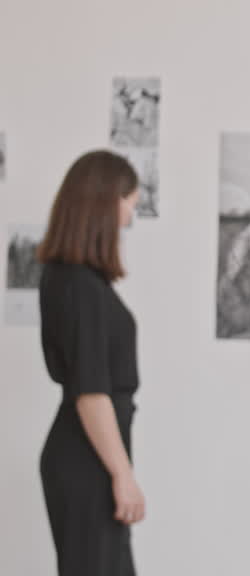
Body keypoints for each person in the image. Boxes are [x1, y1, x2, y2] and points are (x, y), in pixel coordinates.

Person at [37, 150, 144, 576]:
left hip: (92, 453)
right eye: (128, 205)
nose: (129, 219)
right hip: (88, 459)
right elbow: (91, 392)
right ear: (104, 201)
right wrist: (123, 474)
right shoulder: (77, 284)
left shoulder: (78, 279)